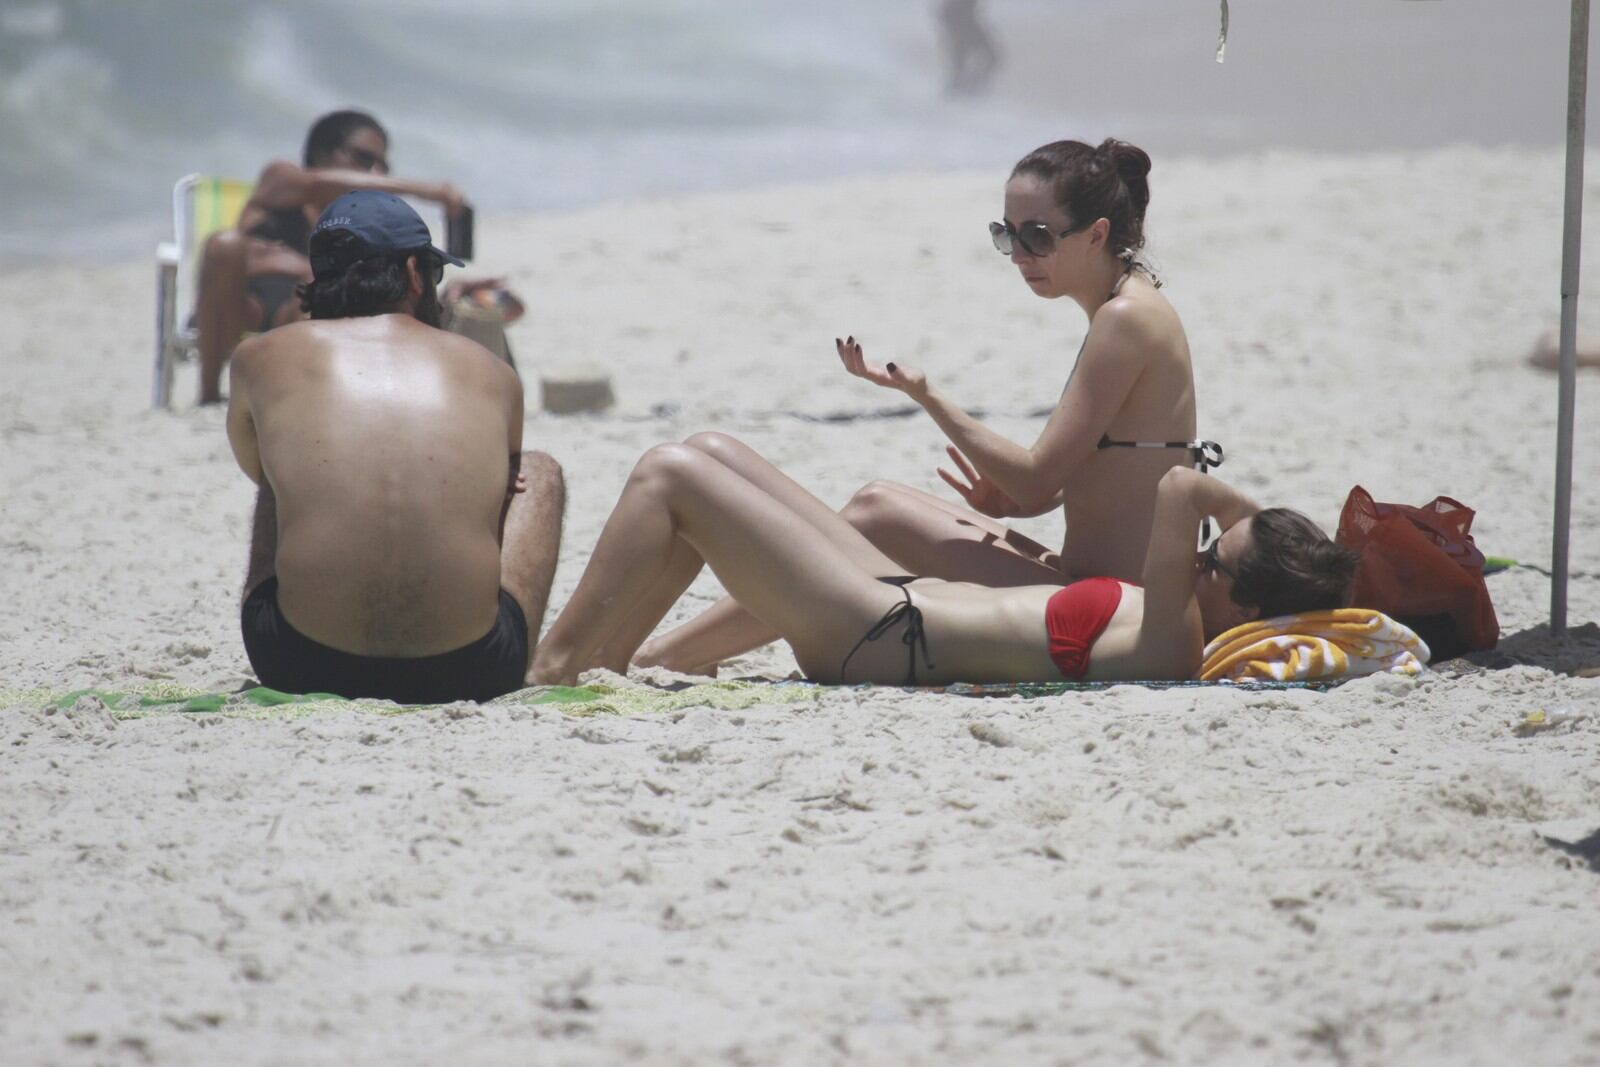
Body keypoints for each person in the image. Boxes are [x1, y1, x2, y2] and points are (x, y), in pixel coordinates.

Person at [635, 138, 1217, 675]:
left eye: (1036, 235)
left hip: (1118, 604)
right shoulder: (1129, 307)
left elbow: (1038, 481)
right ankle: (681, 651)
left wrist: (928, 397)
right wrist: (1011, 499)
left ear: (1096, 234)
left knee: (875, 518)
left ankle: (674, 655)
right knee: (877, 502)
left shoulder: (1124, 321)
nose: (1018, 254)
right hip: (1103, 583)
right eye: (1005, 234)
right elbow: (1112, 469)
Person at [529, 432, 1356, 688]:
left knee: (672, 477)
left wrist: (1250, 519)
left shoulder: (1174, 646)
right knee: (708, 451)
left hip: (880, 633)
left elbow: (1181, 486)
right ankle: (611, 662)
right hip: (897, 598)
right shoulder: (1179, 617)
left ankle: (554, 668)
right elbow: (1190, 507)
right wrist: (1264, 540)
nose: (1198, 561)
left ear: (1247, 608)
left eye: (1217, 561)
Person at [227, 190, 563, 703]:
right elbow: (499, 487)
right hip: (471, 668)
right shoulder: (492, 372)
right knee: (535, 472)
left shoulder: (258, 358)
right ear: (413, 273)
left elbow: (255, 470)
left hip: (296, 661)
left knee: (282, 468)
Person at [196, 110, 468, 405]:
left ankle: (314, 394)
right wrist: (427, 191)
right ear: (322, 153)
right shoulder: (282, 177)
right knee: (225, 245)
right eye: (364, 159)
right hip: (240, 305)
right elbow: (311, 185)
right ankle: (209, 393)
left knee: (324, 275)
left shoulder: (355, 225)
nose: (374, 173)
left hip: (298, 314)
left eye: (382, 166)